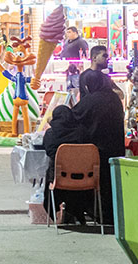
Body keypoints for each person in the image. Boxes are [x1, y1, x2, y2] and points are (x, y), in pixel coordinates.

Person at [52, 68, 124, 225]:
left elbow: (72, 117)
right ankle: (106, 216)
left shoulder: (91, 100)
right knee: (108, 188)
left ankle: (80, 210)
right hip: (115, 149)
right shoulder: (114, 98)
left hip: (97, 152)